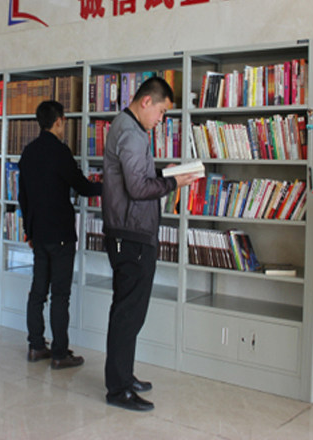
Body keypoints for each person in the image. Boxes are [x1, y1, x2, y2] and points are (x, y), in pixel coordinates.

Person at [101, 76, 198, 411]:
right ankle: (118, 389)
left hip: (130, 233)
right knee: (128, 313)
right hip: (131, 236)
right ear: (146, 102)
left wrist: (161, 173)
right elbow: (138, 188)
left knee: (128, 311)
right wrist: (173, 183)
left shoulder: (129, 127)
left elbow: (137, 177)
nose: (161, 119)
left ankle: (123, 377)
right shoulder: (131, 132)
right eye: (161, 111)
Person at [19, 100, 102, 369]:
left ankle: (35, 346)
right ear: (58, 121)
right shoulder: (60, 151)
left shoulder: (28, 152)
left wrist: (29, 231)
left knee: (37, 292)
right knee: (60, 295)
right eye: (64, 121)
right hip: (61, 234)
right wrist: (109, 186)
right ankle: (59, 353)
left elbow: (23, 197)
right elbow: (83, 188)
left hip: (38, 234)